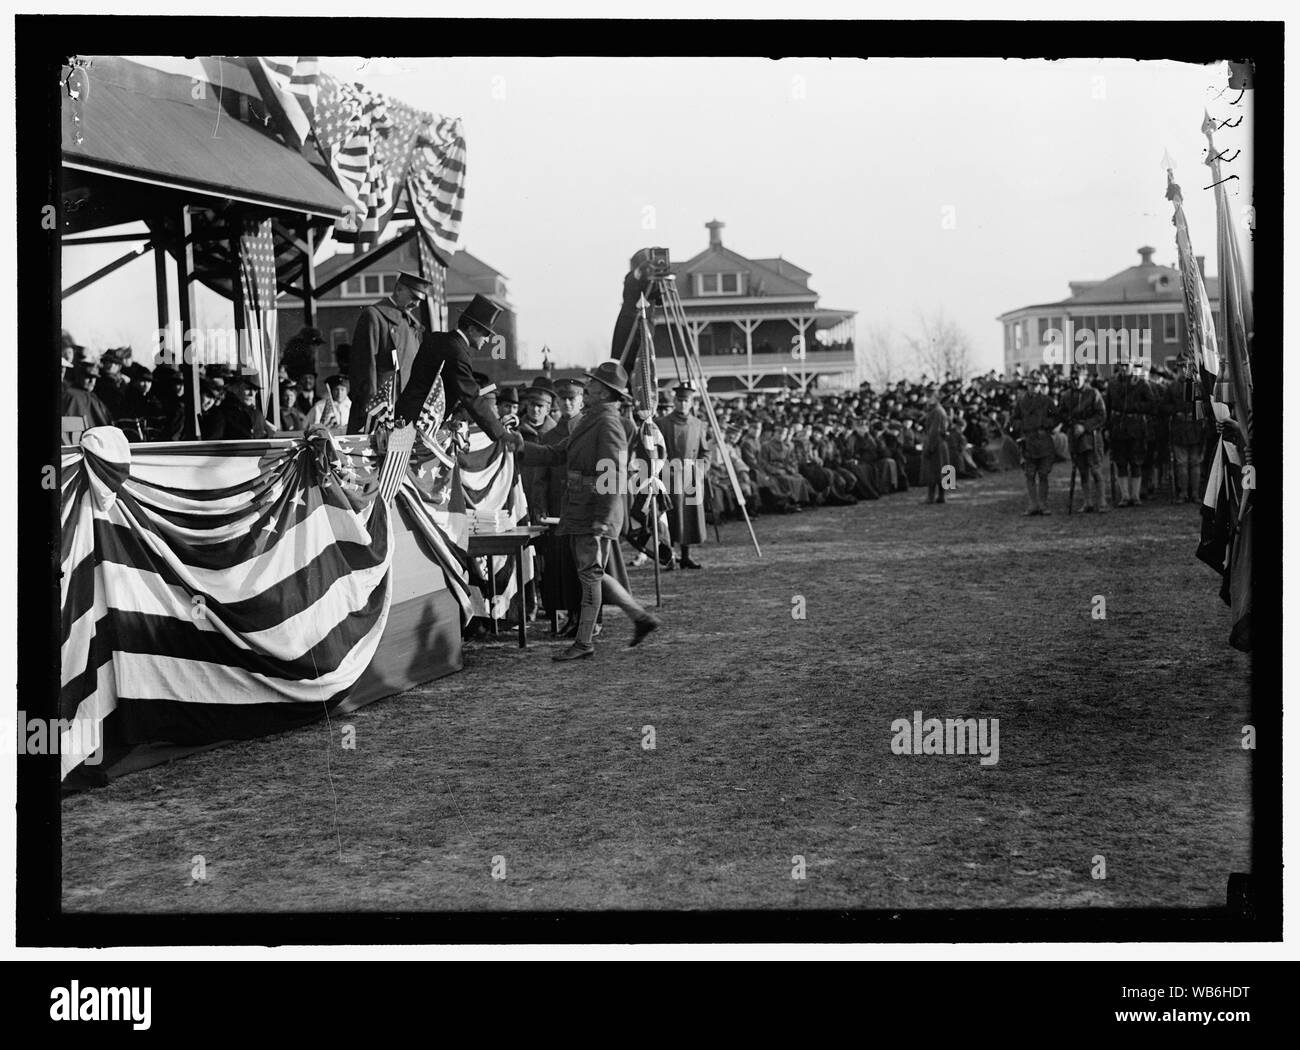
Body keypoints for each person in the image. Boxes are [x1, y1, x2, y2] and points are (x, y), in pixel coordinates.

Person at [519, 361, 660, 661]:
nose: (588, 388)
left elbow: (613, 473)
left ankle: (585, 641)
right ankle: (638, 617)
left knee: (590, 574)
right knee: (592, 573)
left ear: (607, 393)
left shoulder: (607, 423)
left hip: (592, 509)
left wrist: (603, 517)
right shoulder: (591, 419)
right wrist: (520, 447)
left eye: (594, 385)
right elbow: (557, 452)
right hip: (583, 506)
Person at [392, 293, 509, 440]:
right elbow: (471, 398)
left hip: (404, 417)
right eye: (485, 333)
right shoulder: (458, 353)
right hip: (418, 429)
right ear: (471, 330)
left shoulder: (436, 338)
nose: (487, 339)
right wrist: (501, 434)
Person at [347, 272, 429, 434]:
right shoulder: (375, 316)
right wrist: (370, 410)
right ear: (398, 289)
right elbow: (364, 368)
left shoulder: (411, 325)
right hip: (379, 411)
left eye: (419, 300)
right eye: (413, 297)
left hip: (403, 410)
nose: (416, 304)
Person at [655, 381, 711, 569]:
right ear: (674, 401)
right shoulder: (662, 423)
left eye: (686, 401)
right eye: (679, 400)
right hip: (669, 476)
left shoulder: (697, 424)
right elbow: (656, 451)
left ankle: (686, 556)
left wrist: (700, 471)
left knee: (689, 517)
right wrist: (663, 470)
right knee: (670, 516)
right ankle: (670, 556)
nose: (682, 404)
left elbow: (705, 451)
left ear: (691, 402)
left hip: (691, 476)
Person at [1059, 367, 1108, 512]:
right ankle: (1088, 502)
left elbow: (1101, 415)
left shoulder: (1093, 393)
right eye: (1072, 378)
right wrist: (1071, 424)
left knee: (1095, 469)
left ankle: (1102, 501)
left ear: (1084, 378)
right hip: (1075, 438)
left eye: (1077, 378)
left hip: (1091, 437)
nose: (1074, 381)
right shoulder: (1066, 396)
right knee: (1082, 470)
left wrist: (1085, 426)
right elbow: (1061, 414)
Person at [1105, 359, 1153, 507]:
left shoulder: (1141, 383)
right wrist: (1107, 428)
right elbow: (1107, 407)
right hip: (1118, 428)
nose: (1124, 367)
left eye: (1127, 365)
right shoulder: (1112, 384)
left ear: (1133, 366)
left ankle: (1135, 495)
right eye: (1122, 365)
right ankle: (1125, 496)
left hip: (1136, 428)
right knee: (1121, 463)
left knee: (1136, 462)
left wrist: (1135, 406)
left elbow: (1152, 404)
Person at [1011, 376, 1058, 515]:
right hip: (1028, 441)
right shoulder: (1021, 402)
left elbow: (1056, 417)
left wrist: (1046, 424)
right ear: (1027, 385)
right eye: (1031, 384)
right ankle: (1032, 505)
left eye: (1036, 385)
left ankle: (1043, 504)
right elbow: (1014, 419)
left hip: (1043, 440)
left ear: (1040, 386)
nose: (1033, 387)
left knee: (1043, 474)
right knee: (1029, 474)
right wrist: (1021, 426)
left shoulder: (1047, 401)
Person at [205, 374, 274, 440]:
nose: (252, 394)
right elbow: (212, 446)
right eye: (248, 388)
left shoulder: (256, 413)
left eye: (255, 390)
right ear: (235, 388)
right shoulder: (222, 413)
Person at [61, 360, 114, 430]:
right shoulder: (71, 395)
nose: (92, 381)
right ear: (79, 376)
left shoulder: (93, 396)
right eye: (88, 377)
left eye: (94, 378)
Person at [920, 392, 951, 505]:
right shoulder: (938, 410)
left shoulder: (937, 411)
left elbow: (934, 431)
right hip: (941, 443)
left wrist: (929, 448)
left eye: (930, 397)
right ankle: (941, 496)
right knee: (943, 470)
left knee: (933, 471)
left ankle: (931, 497)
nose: (928, 399)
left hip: (936, 444)